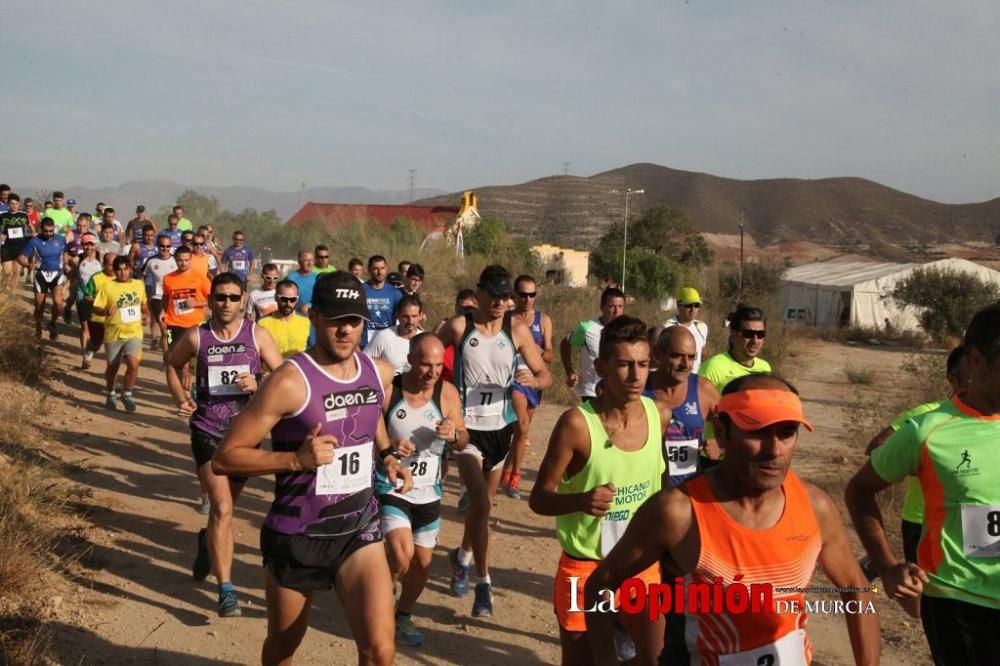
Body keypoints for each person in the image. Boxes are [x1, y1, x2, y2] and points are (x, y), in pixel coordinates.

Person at [586, 375, 880, 665]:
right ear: (722, 433)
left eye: (786, 432)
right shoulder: (678, 512)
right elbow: (600, 584)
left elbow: (857, 588)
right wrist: (605, 659)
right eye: (757, 431)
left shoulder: (815, 506)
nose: (774, 450)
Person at [212, 271, 413, 665]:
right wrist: (294, 460)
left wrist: (387, 455)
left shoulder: (379, 372)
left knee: (380, 651)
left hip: (359, 528)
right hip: (298, 533)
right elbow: (225, 457)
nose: (345, 330)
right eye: (336, 319)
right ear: (315, 316)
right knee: (284, 645)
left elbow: (370, 414)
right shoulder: (289, 381)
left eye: (353, 321)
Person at [845, 304, 1000, 664]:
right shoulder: (929, 430)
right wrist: (886, 566)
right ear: (976, 360)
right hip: (960, 603)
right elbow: (859, 491)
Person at [530, 316, 667, 665]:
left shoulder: (657, 415)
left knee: (653, 659)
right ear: (601, 366)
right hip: (585, 569)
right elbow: (539, 498)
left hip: (640, 567)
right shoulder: (577, 425)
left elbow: (661, 489)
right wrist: (581, 500)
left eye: (643, 364)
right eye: (624, 365)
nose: (636, 376)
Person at [437, 264, 552, 617]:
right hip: (467, 429)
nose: (503, 302)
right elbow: (424, 355)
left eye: (507, 297)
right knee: (481, 507)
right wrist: (437, 397)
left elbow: (545, 374)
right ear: (480, 291)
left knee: (480, 511)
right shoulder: (459, 326)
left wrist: (533, 382)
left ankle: (462, 556)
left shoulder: (516, 330)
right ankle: (483, 585)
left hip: (500, 430)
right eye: (497, 296)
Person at [165, 272, 282, 617]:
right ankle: (226, 590)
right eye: (220, 297)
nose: (226, 303)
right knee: (223, 508)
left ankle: (207, 541)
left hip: (245, 437)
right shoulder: (197, 337)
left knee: (225, 510)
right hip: (207, 430)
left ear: (243, 299)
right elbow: (171, 363)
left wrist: (258, 381)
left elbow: (283, 377)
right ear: (211, 300)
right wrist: (180, 397)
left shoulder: (257, 335)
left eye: (233, 297)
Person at [376, 333, 468, 647]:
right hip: (392, 486)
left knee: (423, 563)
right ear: (411, 361)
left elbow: (464, 438)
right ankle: (380, 603)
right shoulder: (392, 390)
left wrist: (454, 434)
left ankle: (402, 614)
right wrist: (389, 449)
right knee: (402, 554)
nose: (431, 373)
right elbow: (368, 431)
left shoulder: (448, 393)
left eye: (437, 366)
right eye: (425, 365)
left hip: (430, 490)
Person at [857, 346, 968, 579]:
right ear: (953, 379)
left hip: (970, 521)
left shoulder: (991, 421)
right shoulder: (928, 415)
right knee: (920, 604)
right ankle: (876, 564)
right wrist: (925, 464)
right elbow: (876, 447)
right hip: (922, 520)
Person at [646, 326, 721, 487]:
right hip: (646, 491)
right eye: (677, 356)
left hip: (688, 492)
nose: (686, 364)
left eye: (691, 357)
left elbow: (734, 429)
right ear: (658, 354)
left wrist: (719, 444)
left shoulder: (703, 389)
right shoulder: (639, 388)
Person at [501, 274, 554, 499]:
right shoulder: (506, 319)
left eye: (532, 294)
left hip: (535, 381)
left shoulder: (543, 320)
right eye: (523, 294)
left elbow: (551, 353)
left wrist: (536, 351)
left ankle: (505, 473)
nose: (528, 299)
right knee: (521, 426)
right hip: (514, 380)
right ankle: (515, 477)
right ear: (515, 295)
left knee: (522, 433)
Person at [92, 256, 149, 411]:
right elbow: (96, 307)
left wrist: (146, 315)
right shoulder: (108, 286)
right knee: (113, 367)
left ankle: (127, 394)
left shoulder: (138, 285)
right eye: (119, 269)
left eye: (125, 269)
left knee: (133, 363)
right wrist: (105, 311)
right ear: (114, 270)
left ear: (130, 269)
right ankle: (111, 392)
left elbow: (143, 304)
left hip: (134, 332)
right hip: (113, 333)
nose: (122, 272)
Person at [561, 287, 625, 402]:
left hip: (617, 390)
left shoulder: (627, 331)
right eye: (611, 306)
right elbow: (565, 344)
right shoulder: (587, 328)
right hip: (591, 392)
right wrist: (570, 372)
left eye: (620, 307)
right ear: (602, 307)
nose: (616, 312)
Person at [698, 305, 771, 393]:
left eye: (760, 334)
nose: (755, 341)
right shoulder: (712, 368)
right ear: (733, 334)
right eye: (748, 334)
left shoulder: (765, 368)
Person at [18, 218, 68, 339]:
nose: (48, 233)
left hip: (57, 274)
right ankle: (38, 326)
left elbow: (65, 252)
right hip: (41, 276)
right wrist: (27, 265)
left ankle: (53, 323)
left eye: (51, 231)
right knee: (40, 307)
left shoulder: (61, 239)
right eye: (46, 231)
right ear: (41, 229)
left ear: (54, 229)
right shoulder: (34, 241)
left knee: (58, 303)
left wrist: (65, 264)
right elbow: (21, 257)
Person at [161, 246, 211, 348]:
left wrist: (196, 303)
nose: (183, 263)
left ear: (191, 259)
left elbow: (213, 300)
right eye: (180, 260)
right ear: (175, 259)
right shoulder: (167, 278)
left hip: (195, 325)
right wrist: (163, 311)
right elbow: (166, 297)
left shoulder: (201, 278)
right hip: (173, 324)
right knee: (175, 357)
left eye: (186, 260)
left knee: (192, 359)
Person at [364, 295, 423, 375]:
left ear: (420, 316)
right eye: (406, 316)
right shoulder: (383, 336)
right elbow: (364, 364)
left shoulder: (424, 340)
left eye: (414, 316)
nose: (410, 321)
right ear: (397, 315)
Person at [81, 250, 118, 370]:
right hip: (98, 318)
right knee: (96, 344)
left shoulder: (122, 278)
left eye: (116, 264)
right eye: (110, 264)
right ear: (104, 264)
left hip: (116, 320)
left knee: (112, 347)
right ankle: (89, 349)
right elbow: (86, 296)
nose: (113, 267)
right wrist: (100, 303)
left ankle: (112, 375)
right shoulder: (96, 278)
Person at [258, 280, 311, 358]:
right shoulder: (262, 323)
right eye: (284, 299)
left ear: (297, 299)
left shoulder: (306, 322)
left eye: (293, 299)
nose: (288, 303)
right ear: (276, 298)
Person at [144, 235, 178, 353]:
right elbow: (141, 276)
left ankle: (173, 352)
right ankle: (167, 358)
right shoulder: (151, 261)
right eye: (162, 246)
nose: (165, 249)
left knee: (173, 329)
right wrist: (144, 295)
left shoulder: (176, 260)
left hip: (174, 298)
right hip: (157, 297)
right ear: (158, 246)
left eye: (168, 246)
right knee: (164, 328)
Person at [74, 235, 103, 368]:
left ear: (95, 246)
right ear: (82, 245)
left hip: (97, 298)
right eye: (86, 245)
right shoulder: (77, 259)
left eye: (91, 245)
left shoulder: (100, 260)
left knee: (96, 328)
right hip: (82, 297)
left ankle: (89, 350)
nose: (89, 247)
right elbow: (72, 276)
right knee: (85, 327)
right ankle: (85, 358)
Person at [664, 287, 710, 372]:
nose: (693, 309)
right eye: (689, 305)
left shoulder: (702, 327)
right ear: (678, 305)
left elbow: (703, 354)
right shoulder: (668, 327)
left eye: (696, 305)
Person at [362, 255, 402, 348]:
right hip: (365, 343)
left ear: (386, 268)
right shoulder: (361, 290)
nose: (380, 272)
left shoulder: (395, 293)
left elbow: (403, 316)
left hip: (387, 342)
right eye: (376, 269)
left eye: (382, 268)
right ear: (369, 269)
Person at [0, 193, 31, 291]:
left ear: (19, 204)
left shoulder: (23, 215)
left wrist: (34, 233)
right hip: (7, 247)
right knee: (7, 272)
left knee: (17, 271)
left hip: (20, 247)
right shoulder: (3, 216)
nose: (14, 206)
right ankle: (3, 289)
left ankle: (12, 292)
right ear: (8, 204)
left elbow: (29, 225)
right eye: (12, 204)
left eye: (16, 204)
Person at [286, 250, 317, 316]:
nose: (310, 263)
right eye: (306, 260)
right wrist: (300, 308)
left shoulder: (317, 277)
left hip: (315, 317)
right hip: (297, 316)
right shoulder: (291, 278)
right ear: (299, 262)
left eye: (311, 260)